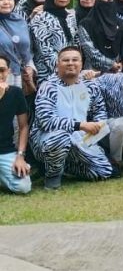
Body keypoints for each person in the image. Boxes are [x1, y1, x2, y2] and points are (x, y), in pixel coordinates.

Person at [30, 46, 115, 190]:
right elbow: (46, 121)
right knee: (61, 137)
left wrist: (96, 129)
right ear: (58, 64)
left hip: (80, 138)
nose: (70, 63)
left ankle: (65, 167)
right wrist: (80, 125)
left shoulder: (90, 86)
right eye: (66, 60)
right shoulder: (48, 87)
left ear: (81, 64)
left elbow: (100, 111)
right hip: (47, 139)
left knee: (104, 171)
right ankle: (52, 177)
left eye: (75, 60)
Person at [31, 0, 113, 81]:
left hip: (73, 72)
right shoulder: (40, 18)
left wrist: (75, 69)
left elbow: (77, 43)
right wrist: (64, 70)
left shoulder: (71, 16)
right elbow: (45, 50)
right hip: (49, 73)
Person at [0, 53, 31, 194]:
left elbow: (23, 127)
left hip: (5, 151)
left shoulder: (15, 93)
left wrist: (20, 156)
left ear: (8, 72)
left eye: (1, 70)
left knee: (23, 187)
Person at [0, 0, 35, 91]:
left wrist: (29, 66)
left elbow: (27, 49)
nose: (6, 2)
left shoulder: (20, 21)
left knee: (14, 98)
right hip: (1, 72)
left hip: (17, 74)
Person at [81, 0, 123, 69]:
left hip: (118, 70)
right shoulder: (86, 24)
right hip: (93, 71)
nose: (106, 2)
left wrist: (120, 63)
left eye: (109, 0)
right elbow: (89, 51)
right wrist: (111, 64)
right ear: (97, 1)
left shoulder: (120, 23)